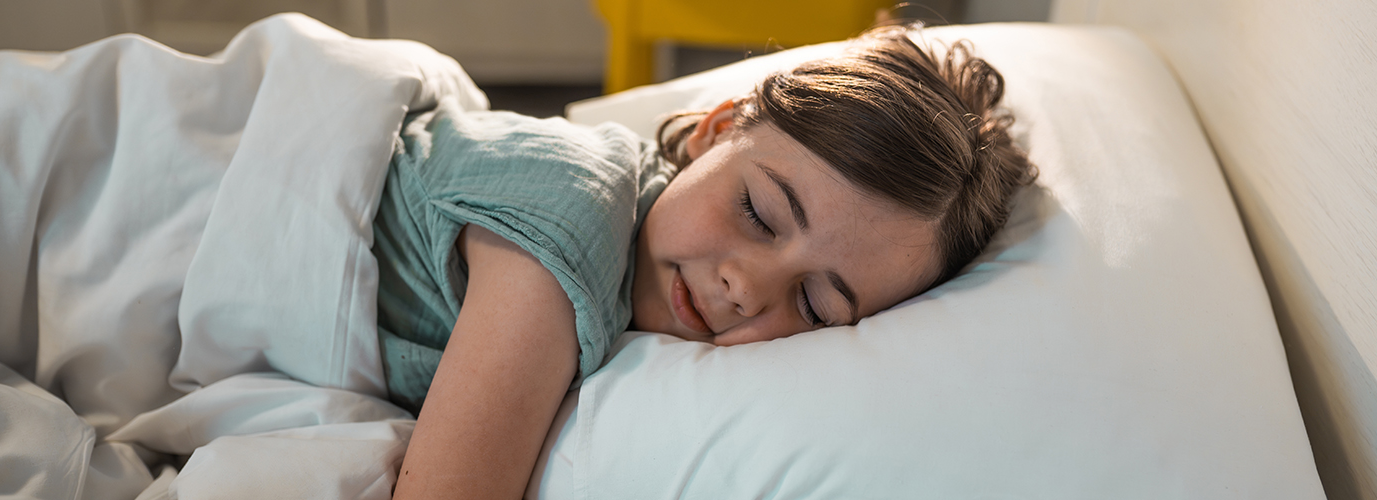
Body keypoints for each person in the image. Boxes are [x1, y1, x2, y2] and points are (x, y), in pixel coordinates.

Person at [382, 22, 1035, 499]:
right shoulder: (569, 223)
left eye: (814, 305)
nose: (745, 286)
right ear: (714, 132)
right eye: (760, 213)